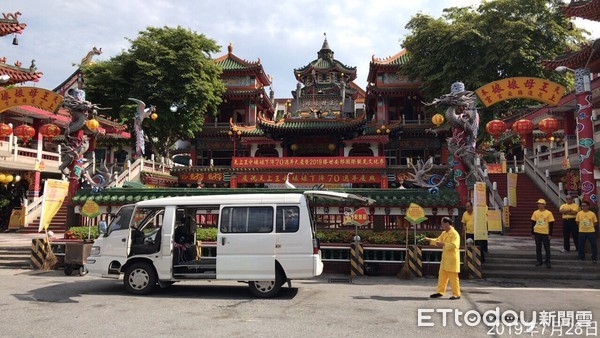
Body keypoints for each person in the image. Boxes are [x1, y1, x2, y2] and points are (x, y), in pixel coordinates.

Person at [425, 217, 461, 300]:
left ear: (447, 224)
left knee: (453, 277)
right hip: (445, 259)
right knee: (442, 276)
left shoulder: (455, 234)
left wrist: (443, 244)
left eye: (442, 223)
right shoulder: (444, 233)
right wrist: (429, 240)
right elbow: (438, 240)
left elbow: (454, 245)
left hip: (452, 259)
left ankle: (456, 294)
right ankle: (440, 292)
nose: (441, 225)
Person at [531, 199, 554, 268]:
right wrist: (532, 233)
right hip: (537, 232)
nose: (539, 205)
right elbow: (533, 223)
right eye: (538, 204)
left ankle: (548, 261)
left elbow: (551, 224)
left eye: (540, 204)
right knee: (538, 247)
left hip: (545, 232)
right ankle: (539, 260)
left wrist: (550, 234)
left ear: (544, 205)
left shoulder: (548, 213)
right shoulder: (535, 212)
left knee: (547, 247)